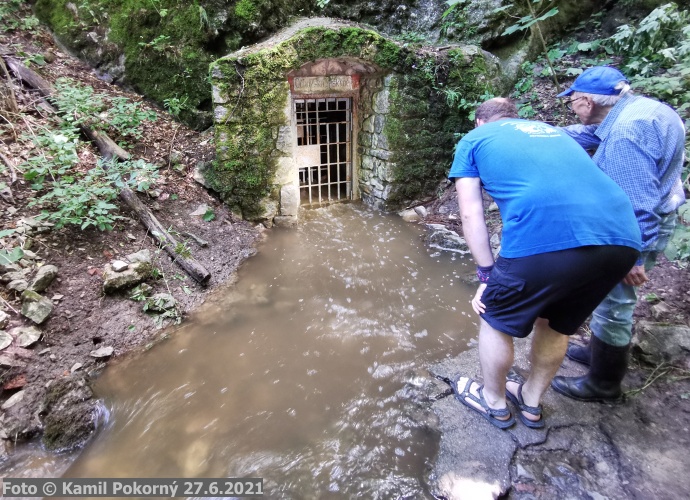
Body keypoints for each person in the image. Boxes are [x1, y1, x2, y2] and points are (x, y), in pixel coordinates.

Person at [449, 98, 641, 429]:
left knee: (495, 318)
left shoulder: (474, 139)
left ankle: (493, 400)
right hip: (622, 239)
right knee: (557, 323)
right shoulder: (553, 132)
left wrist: (486, 275)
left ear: (479, 122)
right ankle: (531, 401)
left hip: (544, 238)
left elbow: (470, 212)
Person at [551, 66, 686, 401]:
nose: (571, 108)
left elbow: (638, 203)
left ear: (585, 100)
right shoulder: (643, 110)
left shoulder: (627, 133)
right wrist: (538, 132)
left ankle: (604, 383)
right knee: (606, 295)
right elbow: (590, 137)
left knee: (615, 302)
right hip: (660, 210)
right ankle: (598, 351)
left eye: (571, 102)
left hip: (631, 232)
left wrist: (633, 257)